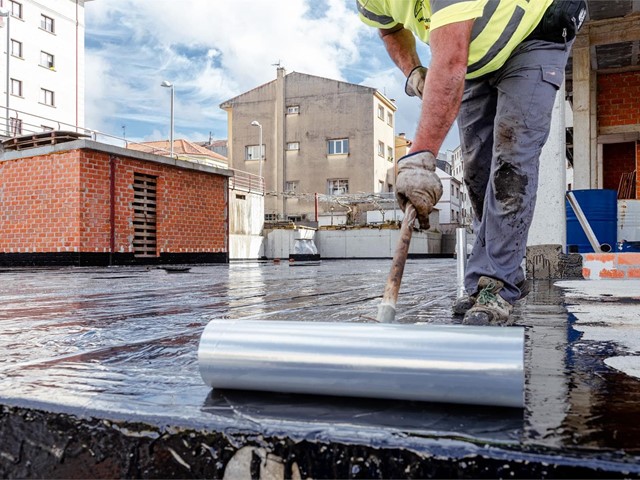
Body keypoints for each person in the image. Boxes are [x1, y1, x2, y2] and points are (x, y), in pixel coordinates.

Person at [357, 0, 587, 325]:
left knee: (512, 162)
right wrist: (413, 71)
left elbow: (450, 62)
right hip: (478, 57)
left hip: (537, 32)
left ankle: (496, 284)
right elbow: (389, 27)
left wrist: (420, 158)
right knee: (476, 171)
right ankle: (487, 278)